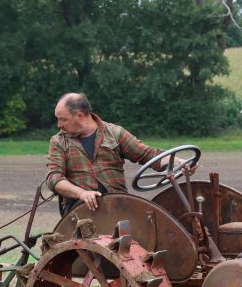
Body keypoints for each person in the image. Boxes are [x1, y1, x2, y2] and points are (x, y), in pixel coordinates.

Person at [46, 92, 195, 215]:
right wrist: (81, 193)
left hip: (118, 205)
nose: (59, 125)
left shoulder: (115, 133)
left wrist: (179, 163)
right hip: (79, 209)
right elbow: (54, 178)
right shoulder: (58, 142)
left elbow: (148, 154)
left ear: (80, 116)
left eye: (63, 120)